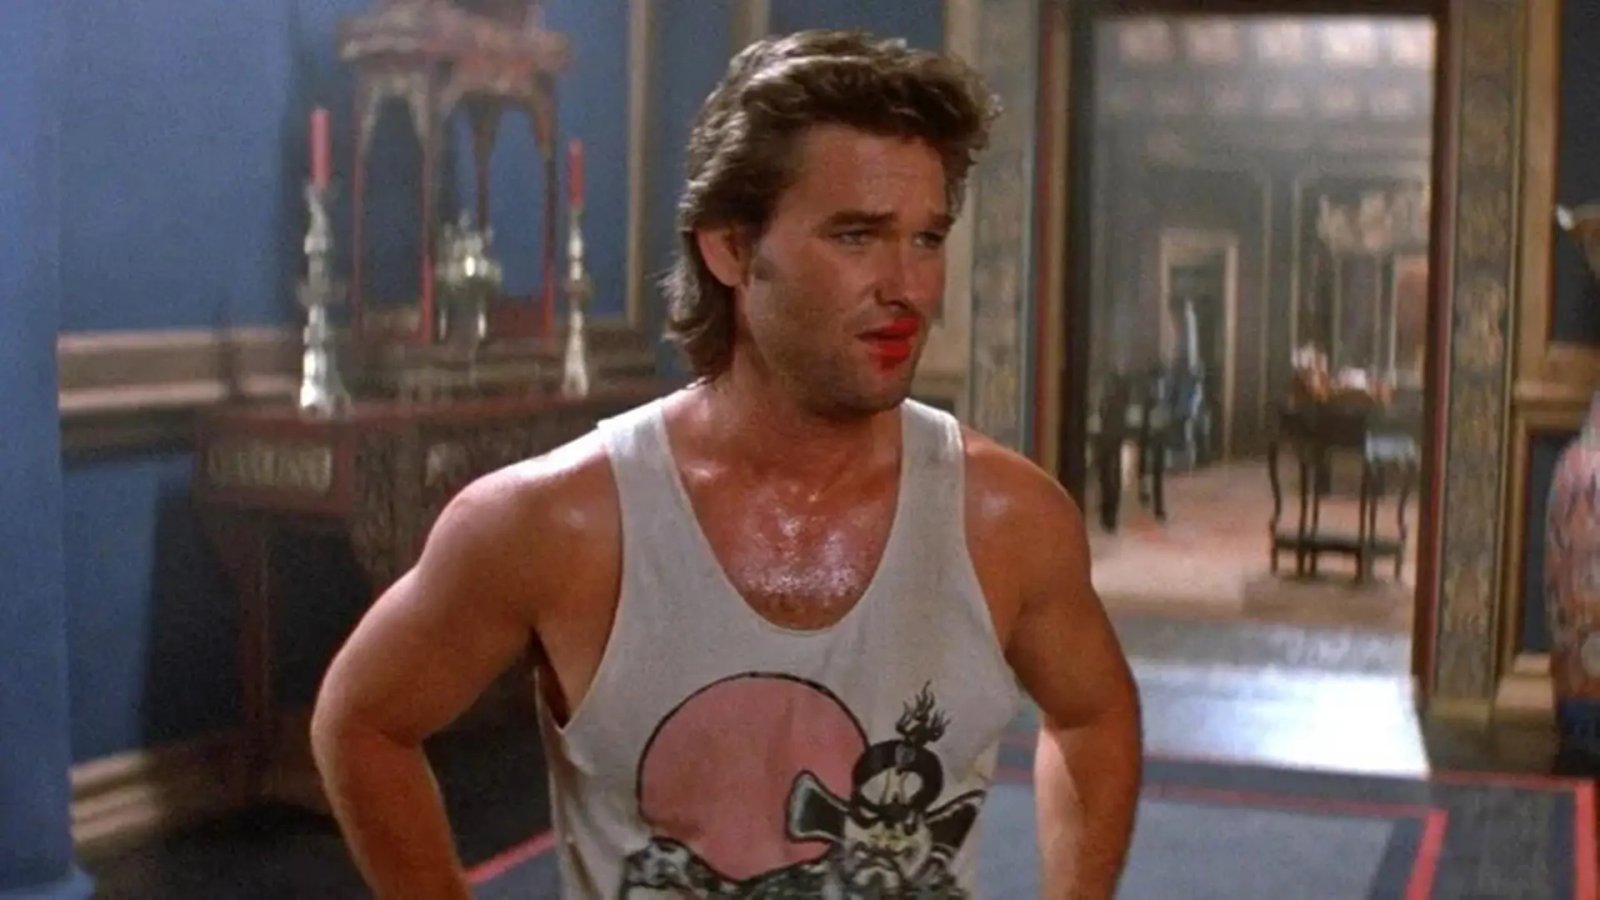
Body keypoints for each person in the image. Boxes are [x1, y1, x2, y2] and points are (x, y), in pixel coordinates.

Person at [311, 29, 1142, 899]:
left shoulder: (1008, 518)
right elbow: (364, 721)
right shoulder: (555, 523)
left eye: (927, 238)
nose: (910, 288)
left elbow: (1093, 715)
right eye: (857, 236)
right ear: (731, 249)